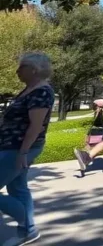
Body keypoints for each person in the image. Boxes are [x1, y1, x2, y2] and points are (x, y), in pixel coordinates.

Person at [0, 53, 54, 245]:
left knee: (17, 188)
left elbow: (36, 126)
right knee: (18, 187)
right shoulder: (28, 89)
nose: (17, 71)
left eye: (21, 67)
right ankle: (28, 231)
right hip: (11, 146)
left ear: (34, 69)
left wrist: (23, 152)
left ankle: (24, 223)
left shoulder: (41, 92)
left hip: (19, 148)